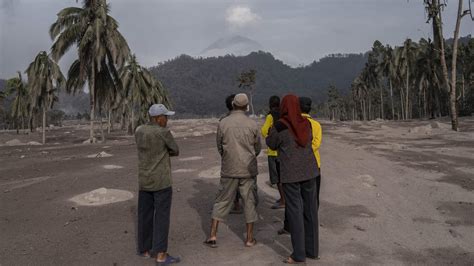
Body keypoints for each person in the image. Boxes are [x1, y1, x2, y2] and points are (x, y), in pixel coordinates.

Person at [266, 94, 320, 264]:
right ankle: (312, 251)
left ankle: (298, 254)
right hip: (310, 171)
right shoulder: (307, 123)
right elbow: (309, 141)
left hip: (290, 174)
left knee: (295, 212)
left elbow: (272, 143)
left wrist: (270, 132)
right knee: (310, 210)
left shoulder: (280, 125)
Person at [204, 93, 261, 248]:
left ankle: (212, 235)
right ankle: (249, 239)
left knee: (221, 201)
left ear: (234, 104)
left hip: (229, 168)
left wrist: (227, 157)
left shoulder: (223, 123)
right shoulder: (252, 124)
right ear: (246, 106)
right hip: (248, 169)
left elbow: (219, 146)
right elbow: (257, 148)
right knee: (249, 202)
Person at [135, 104, 180, 265]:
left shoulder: (139, 130)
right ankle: (161, 254)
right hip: (161, 181)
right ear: (158, 118)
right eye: (165, 117)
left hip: (144, 180)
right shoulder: (163, 132)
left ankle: (145, 249)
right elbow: (175, 150)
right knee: (161, 217)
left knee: (144, 216)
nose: (167, 120)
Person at [261, 95, 285, 209]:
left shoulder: (270, 116)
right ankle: (285, 198)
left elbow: (264, 130)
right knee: (284, 177)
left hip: (273, 152)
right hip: (284, 151)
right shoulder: (284, 115)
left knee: (277, 178)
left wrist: (269, 137)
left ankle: (283, 200)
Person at [220, 94, 242, 214]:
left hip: (229, 157)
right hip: (244, 156)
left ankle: (233, 203)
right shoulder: (246, 119)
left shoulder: (223, 120)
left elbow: (220, 142)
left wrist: (224, 154)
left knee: (228, 181)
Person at [299, 97, 322, 207]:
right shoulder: (316, 124)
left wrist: (299, 151)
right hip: (314, 163)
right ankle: (313, 219)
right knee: (314, 195)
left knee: (299, 195)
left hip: (297, 163)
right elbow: (316, 144)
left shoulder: (295, 124)